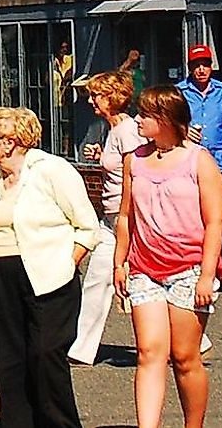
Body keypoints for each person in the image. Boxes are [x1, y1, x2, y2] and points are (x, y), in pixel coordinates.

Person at [0, 106, 101, 428]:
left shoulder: (51, 170)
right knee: (9, 361)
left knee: (46, 359)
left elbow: (88, 228)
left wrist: (65, 265)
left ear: (11, 141)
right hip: (2, 278)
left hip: (49, 279)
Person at [115, 84, 222, 428]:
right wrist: (120, 262)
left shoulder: (198, 160)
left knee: (184, 356)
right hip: (144, 267)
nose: (138, 119)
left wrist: (208, 274)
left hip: (189, 268)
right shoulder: (133, 160)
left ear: (165, 119)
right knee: (149, 353)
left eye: (146, 114)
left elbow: (215, 220)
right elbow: (125, 215)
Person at [69, 52, 145, 367]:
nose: (91, 102)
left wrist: (126, 215)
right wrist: (101, 153)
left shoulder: (126, 129)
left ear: (112, 98)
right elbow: (116, 165)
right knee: (98, 279)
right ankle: (81, 348)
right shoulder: (115, 131)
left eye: (97, 96)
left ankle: (194, 340)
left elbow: (133, 174)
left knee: (141, 277)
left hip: (124, 217)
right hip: (111, 217)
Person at [179, 43, 222, 231]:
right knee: (193, 212)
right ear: (190, 68)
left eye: (205, 65)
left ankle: (217, 257)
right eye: (196, 65)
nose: (201, 70)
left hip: (219, 162)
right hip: (190, 162)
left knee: (216, 213)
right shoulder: (180, 91)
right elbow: (169, 124)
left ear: (211, 66)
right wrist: (184, 130)